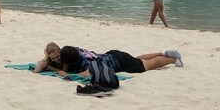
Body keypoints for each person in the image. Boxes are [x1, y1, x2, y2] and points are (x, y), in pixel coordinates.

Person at [34, 43, 183, 76]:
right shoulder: (74, 50)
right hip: (112, 55)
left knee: (148, 65)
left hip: (119, 61)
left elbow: (86, 73)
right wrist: (47, 58)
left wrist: (70, 75)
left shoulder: (87, 63)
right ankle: (162, 52)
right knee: (137, 59)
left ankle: (171, 60)